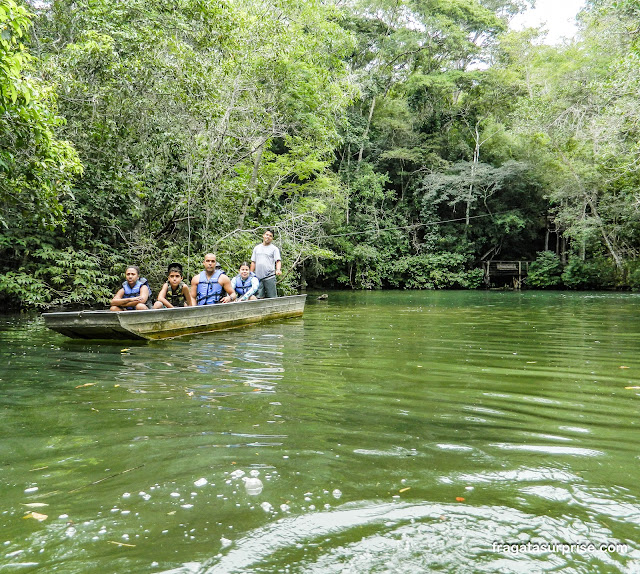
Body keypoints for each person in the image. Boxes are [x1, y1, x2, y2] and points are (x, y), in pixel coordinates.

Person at [250, 229, 281, 299]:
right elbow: (253, 262)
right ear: (263, 235)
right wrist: (251, 273)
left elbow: (278, 261)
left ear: (272, 238)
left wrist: (278, 269)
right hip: (258, 277)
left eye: (270, 236)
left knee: (272, 297)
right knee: (258, 297)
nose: (268, 237)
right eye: (267, 235)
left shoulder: (274, 249)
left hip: (269, 276)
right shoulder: (257, 248)